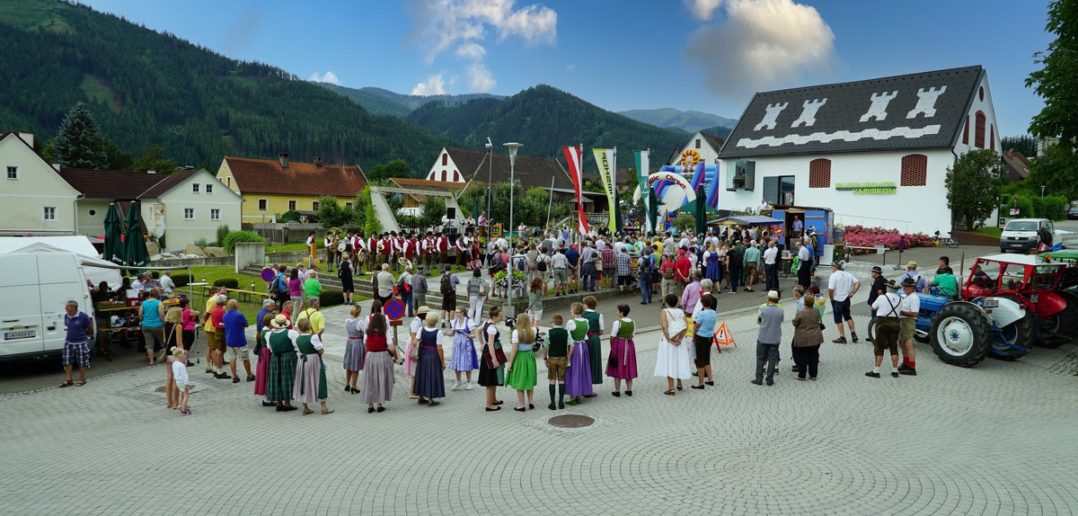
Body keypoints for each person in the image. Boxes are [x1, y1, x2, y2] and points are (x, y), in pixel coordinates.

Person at [292, 318, 332, 415]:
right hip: (314, 360)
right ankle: (324, 407)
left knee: (303, 382)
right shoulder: (313, 337)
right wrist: (317, 355)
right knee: (320, 380)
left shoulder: (298, 338)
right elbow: (321, 350)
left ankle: (305, 407)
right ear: (309, 326)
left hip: (302, 361)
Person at [363, 301, 396, 413]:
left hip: (370, 356)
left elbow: (365, 342)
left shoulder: (368, 332)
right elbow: (391, 348)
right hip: (382, 356)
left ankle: (370, 404)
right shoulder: (385, 332)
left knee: (370, 380)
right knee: (381, 379)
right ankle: (379, 403)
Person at [655, 294, 692, 395]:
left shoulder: (664, 311)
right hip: (680, 338)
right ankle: (679, 383)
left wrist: (669, 339)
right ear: (676, 302)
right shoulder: (680, 311)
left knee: (669, 361)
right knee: (678, 359)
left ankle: (671, 388)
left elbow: (664, 325)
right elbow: (686, 325)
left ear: (666, 302)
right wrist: (680, 338)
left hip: (669, 340)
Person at [868, 282, 902, 378]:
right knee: (893, 347)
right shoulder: (901, 299)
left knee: (879, 347)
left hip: (882, 323)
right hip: (895, 323)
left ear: (888, 288)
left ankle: (876, 370)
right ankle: (895, 370)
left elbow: (873, 307)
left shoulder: (882, 297)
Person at [265, 314, 298, 412]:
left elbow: (269, 348)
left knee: (277, 378)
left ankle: (279, 403)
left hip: (275, 357)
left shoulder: (269, 334)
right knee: (287, 378)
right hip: (288, 357)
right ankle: (287, 403)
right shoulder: (291, 333)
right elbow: (296, 346)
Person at [506, 313, 539, 411]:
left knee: (520, 381)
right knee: (529, 379)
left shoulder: (516, 332)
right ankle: (531, 402)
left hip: (520, 356)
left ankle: (521, 405)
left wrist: (510, 362)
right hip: (530, 355)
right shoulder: (533, 330)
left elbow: (514, 349)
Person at [412, 311, 446, 406]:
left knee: (422, 373)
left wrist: (419, 341)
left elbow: (414, 342)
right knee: (431, 374)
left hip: (423, 354)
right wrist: (443, 361)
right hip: (433, 355)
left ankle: (421, 397)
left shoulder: (421, 330)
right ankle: (431, 398)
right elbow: (439, 348)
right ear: (436, 321)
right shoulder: (438, 332)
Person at [59, 300, 93, 388]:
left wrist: (88, 336)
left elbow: (90, 327)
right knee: (67, 361)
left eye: (67, 306)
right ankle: (69, 380)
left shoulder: (83, 316)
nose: (65, 308)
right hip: (68, 342)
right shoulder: (66, 316)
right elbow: (67, 326)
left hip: (81, 342)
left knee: (82, 361)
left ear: (73, 307)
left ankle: (82, 379)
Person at [752, 290, 784, 386]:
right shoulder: (781, 310)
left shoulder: (763, 309)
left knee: (760, 358)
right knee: (772, 358)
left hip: (763, 337)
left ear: (768, 298)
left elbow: (758, 321)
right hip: (775, 337)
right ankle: (770, 380)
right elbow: (781, 320)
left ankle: (759, 378)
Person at [478, 306, 507, 411]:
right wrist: (494, 359)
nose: (501, 318)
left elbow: (478, 330)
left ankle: (493, 399)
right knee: (490, 379)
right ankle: (489, 405)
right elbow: (491, 345)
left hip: (488, 351)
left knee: (493, 377)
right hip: (491, 353)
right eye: (500, 316)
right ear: (494, 316)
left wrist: (481, 343)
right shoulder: (491, 328)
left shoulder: (486, 323)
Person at [564, 303, 593, 404]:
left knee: (573, 370)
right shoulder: (586, 321)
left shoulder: (571, 322)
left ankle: (573, 396)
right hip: (583, 347)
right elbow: (586, 334)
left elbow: (566, 335)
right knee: (582, 370)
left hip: (574, 348)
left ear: (573, 310)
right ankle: (579, 394)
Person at [606, 304, 638, 397]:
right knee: (629, 365)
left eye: (618, 311)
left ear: (621, 313)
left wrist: (612, 347)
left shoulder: (618, 323)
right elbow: (632, 335)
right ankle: (629, 390)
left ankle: (617, 390)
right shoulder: (633, 322)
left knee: (617, 365)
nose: (617, 313)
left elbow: (612, 336)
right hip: (630, 344)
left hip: (619, 345)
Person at [791, 293, 824, 381]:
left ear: (805, 302)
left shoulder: (801, 313)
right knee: (814, 356)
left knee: (802, 357)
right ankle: (813, 375)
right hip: (816, 337)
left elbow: (795, 323)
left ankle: (802, 375)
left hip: (803, 338)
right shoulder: (816, 311)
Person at [827, 261, 860, 344]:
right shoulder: (848, 274)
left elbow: (830, 289)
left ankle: (842, 337)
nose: (832, 268)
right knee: (848, 316)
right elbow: (858, 283)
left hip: (837, 299)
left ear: (835, 267)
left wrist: (831, 298)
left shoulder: (833, 276)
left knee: (838, 319)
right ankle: (853, 333)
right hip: (846, 299)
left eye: (832, 267)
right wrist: (852, 292)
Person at [222, 299, 253, 383]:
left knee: (232, 358)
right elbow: (246, 324)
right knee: (245, 358)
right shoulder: (239, 315)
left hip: (229, 340)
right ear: (236, 306)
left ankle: (234, 376)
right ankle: (249, 375)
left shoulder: (225, 315)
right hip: (239, 340)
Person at [447, 308, 479, 390]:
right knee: (457, 362)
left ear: (463, 313)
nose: (456, 314)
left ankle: (469, 382)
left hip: (466, 344)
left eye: (458, 312)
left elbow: (474, 335)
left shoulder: (469, 321)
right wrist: (446, 333)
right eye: (456, 312)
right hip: (457, 344)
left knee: (467, 362)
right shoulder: (455, 321)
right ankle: (458, 381)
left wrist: (468, 335)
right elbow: (452, 333)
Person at [691, 294, 717, 389]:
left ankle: (700, 383)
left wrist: (693, 337)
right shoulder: (714, 312)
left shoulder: (701, 314)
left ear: (702, 303)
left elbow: (696, 326)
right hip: (710, 337)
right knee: (707, 358)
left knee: (699, 360)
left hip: (701, 337)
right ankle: (710, 379)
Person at [544, 314, 569, 410]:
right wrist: (568, 356)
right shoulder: (566, 332)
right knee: (561, 380)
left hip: (552, 358)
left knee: (552, 380)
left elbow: (545, 346)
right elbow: (571, 344)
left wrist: (545, 358)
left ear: (553, 322)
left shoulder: (549, 333)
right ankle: (561, 402)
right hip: (563, 358)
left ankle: (553, 403)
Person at [404, 305, 429, 399]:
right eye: (427, 314)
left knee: (415, 370)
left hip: (414, 345)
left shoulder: (418, 321)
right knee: (414, 370)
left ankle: (415, 390)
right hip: (414, 346)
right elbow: (414, 337)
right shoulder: (416, 322)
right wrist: (416, 349)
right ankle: (412, 392)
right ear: (423, 314)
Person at [898, 278, 921, 376]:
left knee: (908, 344)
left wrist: (902, 312)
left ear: (912, 287)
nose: (904, 288)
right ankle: (906, 363)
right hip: (904, 321)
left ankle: (912, 367)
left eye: (907, 286)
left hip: (908, 322)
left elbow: (915, 313)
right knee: (902, 344)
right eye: (904, 286)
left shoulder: (914, 298)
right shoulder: (907, 296)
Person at [137, 289, 166, 366]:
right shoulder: (159, 303)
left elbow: (140, 314)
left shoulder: (143, 303)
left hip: (146, 325)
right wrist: (164, 322)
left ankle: (151, 362)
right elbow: (161, 315)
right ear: (157, 295)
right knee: (163, 342)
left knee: (149, 344)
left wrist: (143, 320)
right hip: (157, 325)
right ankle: (163, 358)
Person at [343, 304, 367, 395]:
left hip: (349, 342)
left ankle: (347, 384)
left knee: (349, 364)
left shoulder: (347, 321)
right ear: (359, 312)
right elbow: (366, 332)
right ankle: (354, 386)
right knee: (355, 366)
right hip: (357, 343)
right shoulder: (360, 322)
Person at [582, 296, 604, 391]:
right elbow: (601, 331)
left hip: (583, 339)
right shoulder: (599, 315)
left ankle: (583, 385)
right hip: (594, 339)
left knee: (584, 362)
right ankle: (590, 385)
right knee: (593, 361)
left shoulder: (581, 315)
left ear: (586, 305)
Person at [254, 312, 276, 407]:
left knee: (265, 374)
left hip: (263, 354)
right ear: (270, 323)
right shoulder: (267, 333)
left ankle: (268, 397)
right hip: (267, 354)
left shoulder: (263, 330)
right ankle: (267, 399)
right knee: (267, 374)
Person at [865, 266, 887, 343]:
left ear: (876, 273)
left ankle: (875, 336)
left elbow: (880, 292)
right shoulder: (883, 280)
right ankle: (875, 335)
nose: (871, 273)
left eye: (872, 272)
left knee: (875, 320)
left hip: (877, 306)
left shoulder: (878, 281)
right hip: (880, 305)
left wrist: (878, 304)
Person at [171, 347, 191, 415]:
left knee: (181, 393)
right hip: (183, 382)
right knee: (186, 395)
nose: (184, 356)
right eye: (183, 355)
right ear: (180, 356)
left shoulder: (174, 363)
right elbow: (185, 376)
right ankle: (183, 409)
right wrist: (186, 384)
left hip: (178, 381)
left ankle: (180, 405)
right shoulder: (181, 365)